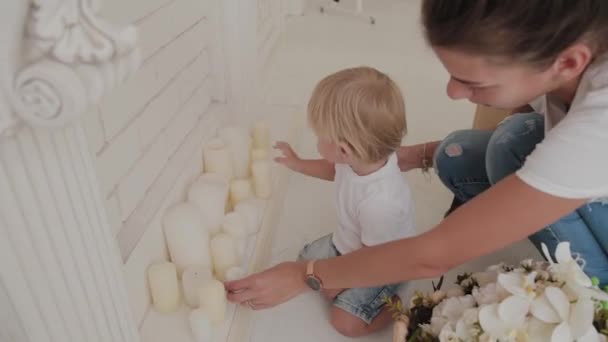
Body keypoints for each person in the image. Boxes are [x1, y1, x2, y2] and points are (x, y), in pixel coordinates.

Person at [225, 0, 608, 317]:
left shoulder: (600, 119)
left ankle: (598, 285)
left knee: (510, 141)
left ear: (569, 63)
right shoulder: (564, 56)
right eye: (453, 74)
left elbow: (436, 254)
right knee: (469, 149)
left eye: (475, 82)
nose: (453, 92)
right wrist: (397, 157)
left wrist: (305, 276)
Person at [271, 66, 415, 337]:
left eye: (320, 137)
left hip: (383, 262)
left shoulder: (380, 204)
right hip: (351, 243)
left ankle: (396, 307)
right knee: (304, 260)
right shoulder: (360, 161)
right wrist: (298, 163)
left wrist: (340, 280)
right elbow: (333, 169)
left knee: (344, 323)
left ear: (344, 150)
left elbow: (375, 259)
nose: (317, 141)